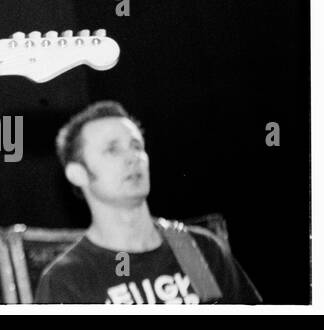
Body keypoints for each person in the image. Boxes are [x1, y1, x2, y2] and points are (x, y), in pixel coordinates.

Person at [35, 101, 260, 304]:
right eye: (112, 149)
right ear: (78, 174)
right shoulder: (67, 278)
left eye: (136, 146)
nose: (133, 157)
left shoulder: (192, 249)